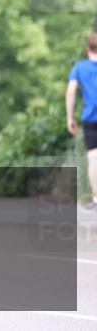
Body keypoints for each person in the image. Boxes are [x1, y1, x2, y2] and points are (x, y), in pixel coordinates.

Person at [66, 32, 97, 211]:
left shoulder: (79, 67)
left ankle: (96, 198)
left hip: (91, 118)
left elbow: (71, 92)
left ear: (87, 48)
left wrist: (70, 117)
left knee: (94, 157)